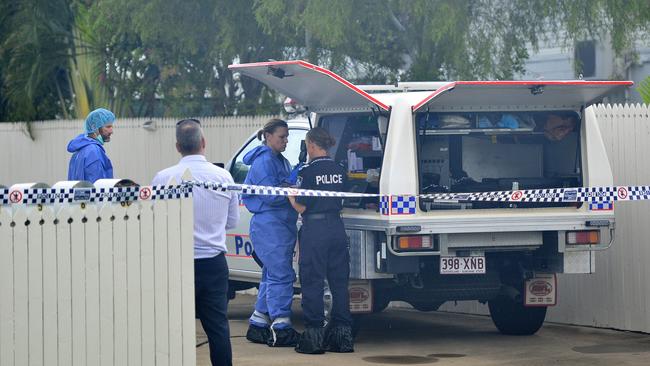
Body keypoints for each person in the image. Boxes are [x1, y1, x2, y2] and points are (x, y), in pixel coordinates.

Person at [152, 119, 239, 366]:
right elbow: (232, 221)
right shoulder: (223, 176)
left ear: (177, 146)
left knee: (173, 330)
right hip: (213, 264)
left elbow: (156, 222)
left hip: (176, 264)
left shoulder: (162, 179)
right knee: (218, 329)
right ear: (203, 142)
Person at [288, 127, 354, 354]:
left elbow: (301, 206)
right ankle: (342, 337)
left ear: (311, 145)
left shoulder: (307, 172)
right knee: (339, 282)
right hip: (337, 227)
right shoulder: (339, 169)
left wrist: (289, 195)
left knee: (312, 280)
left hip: (315, 229)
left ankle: (314, 336)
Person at [243, 118, 300, 347]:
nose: (286, 141)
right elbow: (271, 195)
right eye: (281, 137)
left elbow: (281, 187)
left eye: (287, 137)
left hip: (278, 226)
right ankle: (281, 325)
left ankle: (259, 323)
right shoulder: (264, 162)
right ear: (268, 137)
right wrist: (291, 190)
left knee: (271, 275)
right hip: (271, 226)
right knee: (281, 275)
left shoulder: (279, 160)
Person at [67, 108, 116, 182]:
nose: (111, 131)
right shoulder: (93, 151)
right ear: (95, 128)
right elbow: (97, 186)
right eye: (108, 127)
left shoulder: (78, 150)